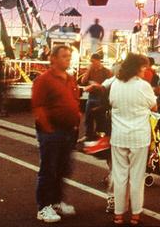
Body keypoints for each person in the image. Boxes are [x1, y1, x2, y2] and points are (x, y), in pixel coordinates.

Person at [31, 45, 80, 223]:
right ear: (53, 58)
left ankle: (56, 201)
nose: (68, 59)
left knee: (62, 169)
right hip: (51, 132)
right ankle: (43, 207)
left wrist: (76, 122)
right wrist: (48, 128)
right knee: (49, 169)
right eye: (64, 56)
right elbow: (38, 106)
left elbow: (74, 100)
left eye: (69, 56)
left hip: (68, 131)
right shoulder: (43, 80)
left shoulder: (70, 78)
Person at [108, 54, 157, 226]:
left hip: (119, 136)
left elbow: (112, 103)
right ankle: (136, 215)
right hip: (139, 136)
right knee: (136, 177)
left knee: (119, 176)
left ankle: (118, 214)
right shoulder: (143, 86)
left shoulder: (115, 84)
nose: (146, 70)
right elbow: (154, 106)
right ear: (137, 67)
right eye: (144, 67)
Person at [80, 53, 112, 141]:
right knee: (88, 116)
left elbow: (109, 85)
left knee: (100, 118)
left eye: (93, 61)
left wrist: (95, 85)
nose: (92, 63)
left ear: (98, 61)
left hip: (101, 97)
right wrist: (88, 71)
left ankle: (99, 136)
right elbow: (83, 81)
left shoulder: (106, 71)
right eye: (91, 62)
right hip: (92, 96)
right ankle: (88, 134)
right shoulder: (91, 70)